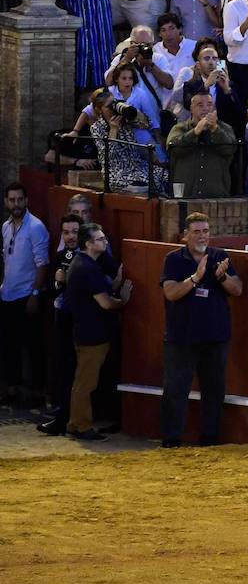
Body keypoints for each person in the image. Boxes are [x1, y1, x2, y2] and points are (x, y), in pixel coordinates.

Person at [40, 223, 132, 440]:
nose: (105, 242)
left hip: (87, 330)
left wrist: (117, 282)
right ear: (89, 243)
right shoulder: (88, 268)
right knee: (86, 382)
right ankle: (80, 425)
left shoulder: (84, 264)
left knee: (84, 380)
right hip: (93, 333)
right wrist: (124, 301)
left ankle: (75, 423)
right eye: (100, 239)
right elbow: (106, 303)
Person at [159, 212, 242, 448]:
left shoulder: (220, 256)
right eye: (196, 231)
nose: (202, 236)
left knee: (214, 391)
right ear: (186, 235)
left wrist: (222, 276)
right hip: (181, 337)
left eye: (205, 231)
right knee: (176, 390)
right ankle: (171, 440)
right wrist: (195, 278)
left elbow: (237, 289)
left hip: (215, 336)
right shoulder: (174, 259)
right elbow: (171, 293)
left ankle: (210, 439)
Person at [1, 182, 49, 406]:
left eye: (20, 199)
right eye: (12, 200)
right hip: (8, 294)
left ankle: (38, 393)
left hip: (27, 294)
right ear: (6, 202)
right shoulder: (5, 226)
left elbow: (42, 264)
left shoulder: (35, 227)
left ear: (26, 201)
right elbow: (6, 259)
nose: (16, 204)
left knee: (33, 345)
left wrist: (35, 293)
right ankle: (13, 389)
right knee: (10, 345)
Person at [167, 89, 237, 197]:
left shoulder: (225, 128)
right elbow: (173, 150)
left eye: (209, 105)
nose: (205, 109)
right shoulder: (179, 128)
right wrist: (194, 132)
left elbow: (230, 150)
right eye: (200, 105)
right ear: (191, 108)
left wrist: (215, 129)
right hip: (184, 195)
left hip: (216, 196)